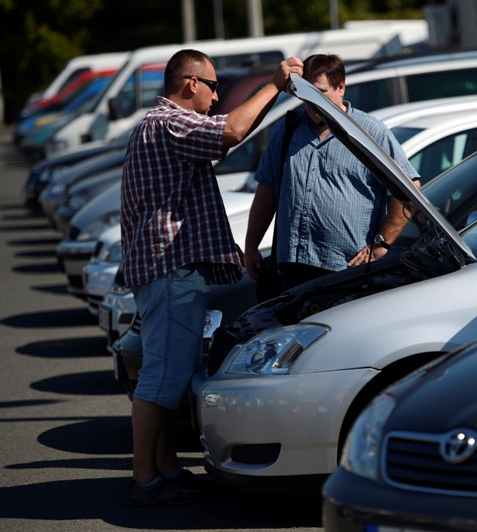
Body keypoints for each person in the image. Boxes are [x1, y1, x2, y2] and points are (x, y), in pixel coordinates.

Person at [120, 49, 302, 506]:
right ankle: (145, 480)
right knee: (162, 378)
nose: (218, 95)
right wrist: (275, 84)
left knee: (173, 376)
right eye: (214, 86)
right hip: (170, 271)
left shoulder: (160, 125)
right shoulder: (170, 122)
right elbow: (234, 130)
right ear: (190, 85)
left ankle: (165, 470)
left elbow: (227, 133)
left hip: (168, 270)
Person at [244, 53, 420, 293]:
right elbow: (267, 190)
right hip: (292, 269)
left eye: (320, 92)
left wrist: (380, 244)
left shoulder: (369, 132)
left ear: (341, 88)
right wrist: (252, 245)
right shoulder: (288, 129)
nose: (311, 101)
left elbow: (410, 190)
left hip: (345, 272)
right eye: (305, 92)